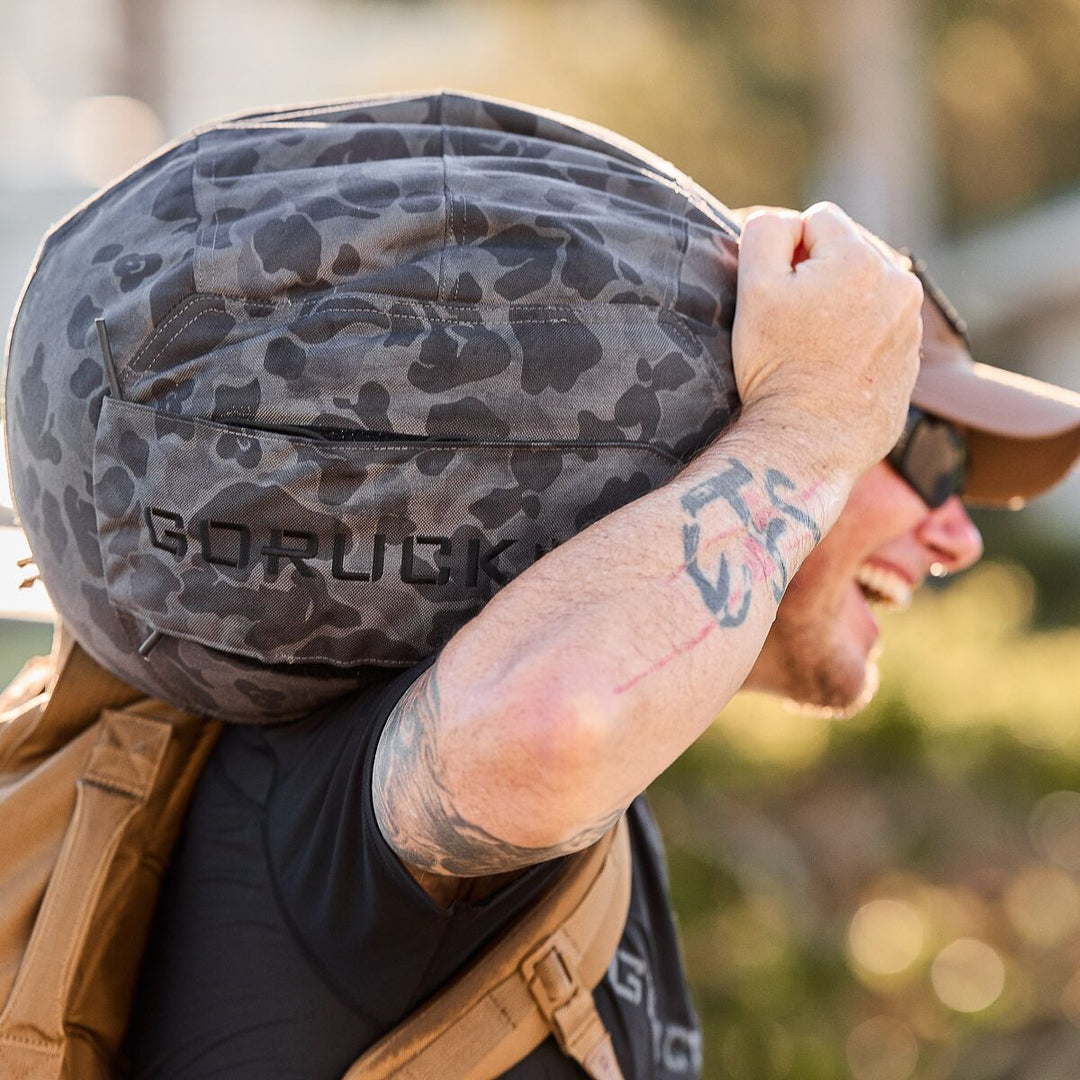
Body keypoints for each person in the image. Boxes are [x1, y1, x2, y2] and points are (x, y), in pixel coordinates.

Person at [5, 93, 1079, 1080]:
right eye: (929, 454)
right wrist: (810, 432)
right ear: (718, 423)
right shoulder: (329, 785)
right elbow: (550, 725)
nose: (958, 538)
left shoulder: (575, 818)